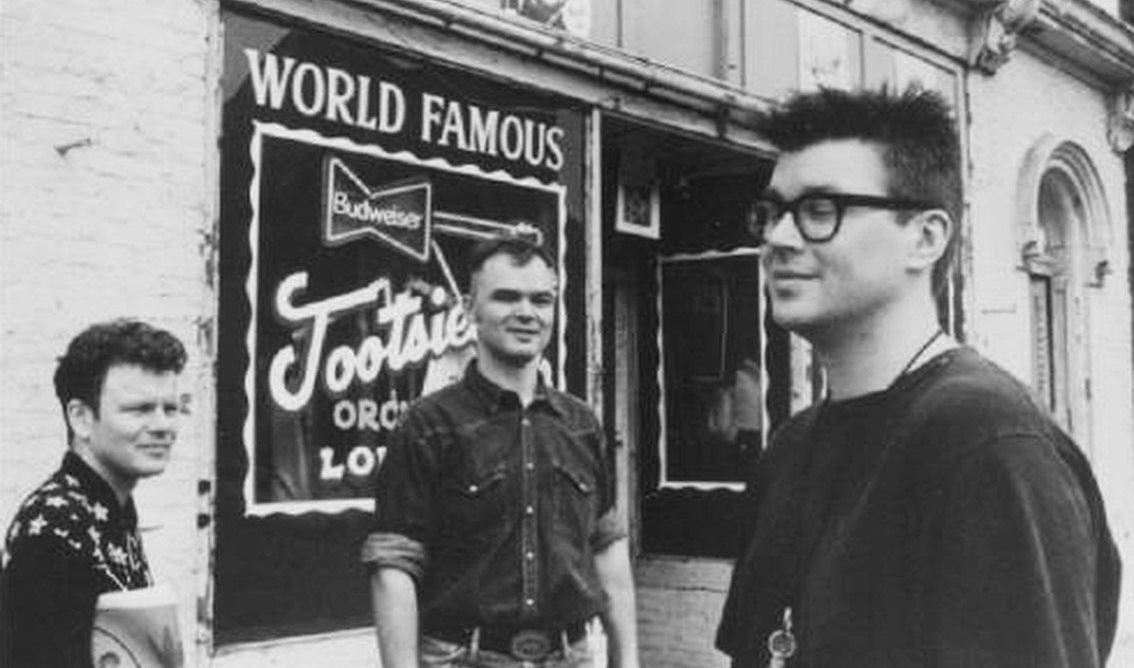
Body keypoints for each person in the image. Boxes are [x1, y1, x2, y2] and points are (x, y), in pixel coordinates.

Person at [716, 87, 1121, 668]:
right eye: (772, 212)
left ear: (926, 237)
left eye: (820, 210)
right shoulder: (790, 447)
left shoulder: (988, 444)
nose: (778, 238)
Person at [362, 236, 640, 668]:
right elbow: (393, 565)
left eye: (541, 300)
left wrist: (628, 662)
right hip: (463, 658)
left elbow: (607, 550)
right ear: (469, 309)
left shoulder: (581, 423)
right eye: (506, 297)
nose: (527, 313)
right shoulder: (427, 425)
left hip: (571, 656)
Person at [0, 319, 188, 668]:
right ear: (81, 418)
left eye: (171, 408)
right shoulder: (54, 529)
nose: (164, 426)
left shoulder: (110, 505)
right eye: (139, 409)